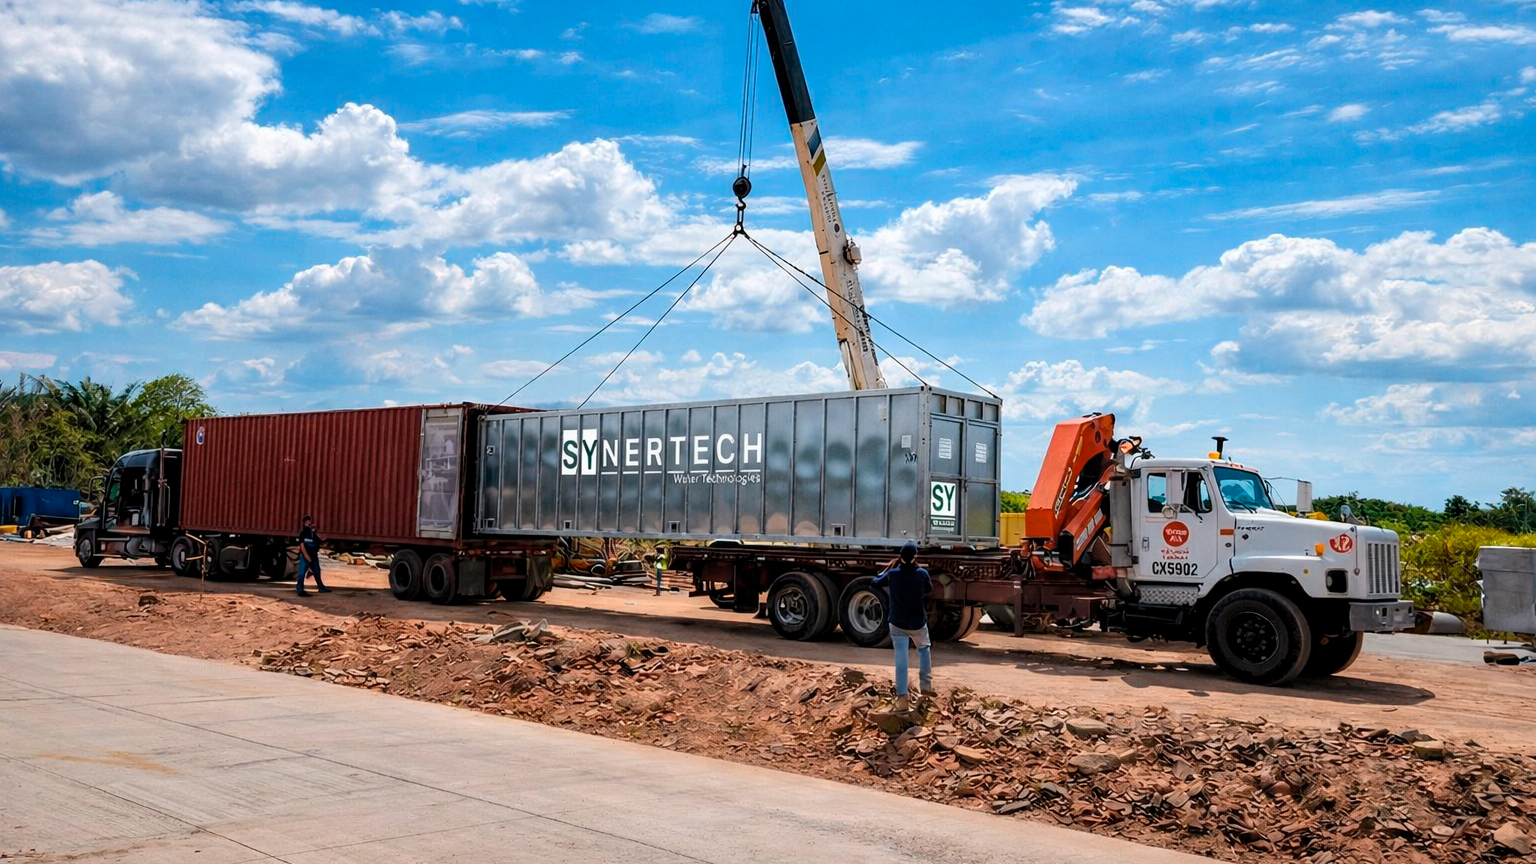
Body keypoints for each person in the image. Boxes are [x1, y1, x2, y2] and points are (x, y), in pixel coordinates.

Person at [872, 540, 932, 711]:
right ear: (915, 557)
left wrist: (888, 569)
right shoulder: (922, 574)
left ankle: (902, 697)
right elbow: (929, 589)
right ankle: (926, 688)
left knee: (901, 658)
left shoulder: (893, 574)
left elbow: (875, 582)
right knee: (924, 649)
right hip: (918, 622)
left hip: (897, 622)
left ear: (900, 556)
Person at [295, 514, 330, 597]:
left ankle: (321, 588)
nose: (308, 523)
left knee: (317, 571)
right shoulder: (303, 533)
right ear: (304, 523)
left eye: (309, 521)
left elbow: (320, 540)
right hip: (306, 556)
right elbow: (302, 545)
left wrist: (317, 532)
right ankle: (300, 590)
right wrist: (307, 556)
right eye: (306, 521)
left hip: (313, 556)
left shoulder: (313, 533)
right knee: (301, 573)